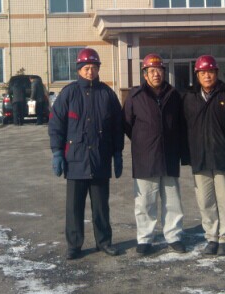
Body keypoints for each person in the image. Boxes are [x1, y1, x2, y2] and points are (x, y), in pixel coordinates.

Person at [49, 48, 124, 259]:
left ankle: (104, 242)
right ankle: (74, 245)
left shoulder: (107, 94)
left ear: (98, 69)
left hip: (100, 159)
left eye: (94, 68)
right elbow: (56, 125)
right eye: (86, 68)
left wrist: (117, 153)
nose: (90, 72)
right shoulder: (69, 93)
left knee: (101, 207)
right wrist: (57, 152)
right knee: (74, 208)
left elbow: (117, 127)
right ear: (79, 70)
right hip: (75, 160)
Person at [183, 55, 225, 257]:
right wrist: (186, 154)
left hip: (223, 157)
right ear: (197, 75)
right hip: (200, 158)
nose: (207, 76)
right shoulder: (189, 98)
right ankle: (212, 237)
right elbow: (182, 128)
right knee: (205, 201)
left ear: (217, 73)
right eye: (203, 72)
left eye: (210, 72)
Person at [123, 53, 188, 255]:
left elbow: (181, 124)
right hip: (145, 157)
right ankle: (145, 238)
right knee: (145, 202)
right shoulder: (135, 96)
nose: (155, 74)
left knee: (172, 200)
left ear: (163, 72)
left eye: (158, 70)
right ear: (145, 74)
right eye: (151, 71)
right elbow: (127, 125)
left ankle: (174, 236)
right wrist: (143, 140)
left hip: (169, 155)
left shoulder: (174, 95)